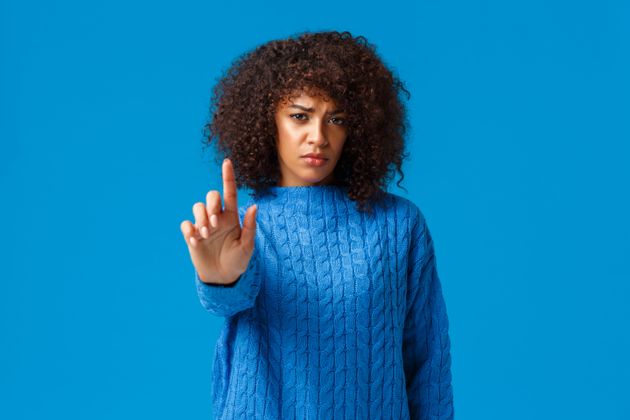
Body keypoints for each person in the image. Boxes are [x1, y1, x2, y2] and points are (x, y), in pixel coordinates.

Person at [180, 30, 454, 420]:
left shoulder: (399, 225)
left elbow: (428, 358)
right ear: (267, 121)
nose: (318, 137)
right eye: (299, 116)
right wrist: (219, 278)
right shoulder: (245, 226)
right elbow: (228, 302)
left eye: (336, 119)